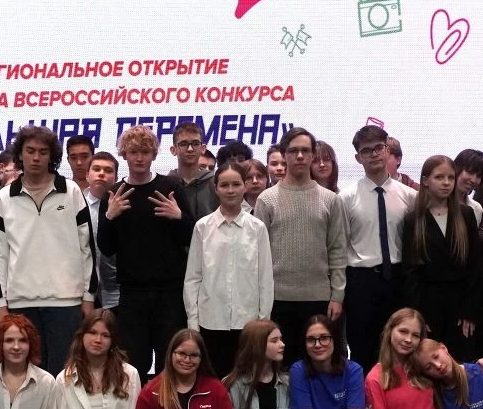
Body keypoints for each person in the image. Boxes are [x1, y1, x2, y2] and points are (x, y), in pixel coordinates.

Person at [0, 125, 97, 376]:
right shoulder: (4, 197)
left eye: (43, 152)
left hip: (66, 301)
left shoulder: (71, 191)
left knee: (65, 376)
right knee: (28, 378)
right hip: (20, 301)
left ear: (52, 156)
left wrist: (88, 296)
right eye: (30, 151)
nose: (36, 157)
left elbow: (87, 248)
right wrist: (0, 304)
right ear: (20, 154)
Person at [98, 126, 194, 377]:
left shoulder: (171, 187)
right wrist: (110, 217)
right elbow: (105, 248)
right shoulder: (114, 193)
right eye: (133, 152)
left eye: (144, 152)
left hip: (169, 292)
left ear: (153, 155)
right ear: (124, 155)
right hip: (132, 293)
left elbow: (191, 237)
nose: (139, 158)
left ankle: (168, 402)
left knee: (169, 362)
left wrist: (178, 217)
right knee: (132, 365)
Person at [253, 127, 346, 366]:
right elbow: (258, 256)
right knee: (280, 368)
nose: (300, 156)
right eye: (294, 151)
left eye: (306, 150)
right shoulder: (266, 200)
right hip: (277, 300)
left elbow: (337, 250)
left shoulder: (331, 200)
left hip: (319, 299)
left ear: (313, 155)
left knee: (321, 367)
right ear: (284, 155)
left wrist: (337, 296)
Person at [184, 163, 274, 377]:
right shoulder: (202, 227)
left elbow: (265, 279)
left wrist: (263, 322)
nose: (230, 190)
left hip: (249, 324)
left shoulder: (257, 228)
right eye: (224, 185)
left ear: (245, 186)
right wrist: (193, 323)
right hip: (211, 321)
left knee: (246, 381)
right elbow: (193, 278)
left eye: (236, 184)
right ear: (215, 188)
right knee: (213, 382)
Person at [341, 124, 417, 367]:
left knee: (399, 350)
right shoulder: (346, 197)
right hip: (361, 282)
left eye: (379, 148)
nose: (374, 154)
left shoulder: (409, 196)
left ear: (387, 150)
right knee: (362, 349)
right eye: (366, 150)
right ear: (358, 158)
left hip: (397, 278)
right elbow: (340, 246)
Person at [402, 155, 480, 361]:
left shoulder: (465, 215)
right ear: (426, 181)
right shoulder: (414, 220)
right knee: (430, 362)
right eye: (439, 177)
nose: (446, 183)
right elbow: (411, 272)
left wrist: (470, 311)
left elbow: (475, 266)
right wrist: (417, 315)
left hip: (460, 304)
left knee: (460, 362)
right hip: (429, 305)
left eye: (451, 178)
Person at [84, 153, 120, 311]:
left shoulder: (124, 207)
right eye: (96, 169)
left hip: (117, 291)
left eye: (108, 170)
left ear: (116, 178)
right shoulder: (76, 206)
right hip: (84, 292)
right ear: (87, 175)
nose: (101, 173)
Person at [167, 122, 218, 221]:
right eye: (183, 144)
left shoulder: (215, 182)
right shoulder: (166, 183)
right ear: (173, 150)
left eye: (195, 144)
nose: (190, 149)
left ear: (203, 148)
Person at [454, 149, 483, 224]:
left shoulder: (477, 208)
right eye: (470, 172)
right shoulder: (437, 203)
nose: (473, 180)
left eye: (479, 176)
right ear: (456, 168)